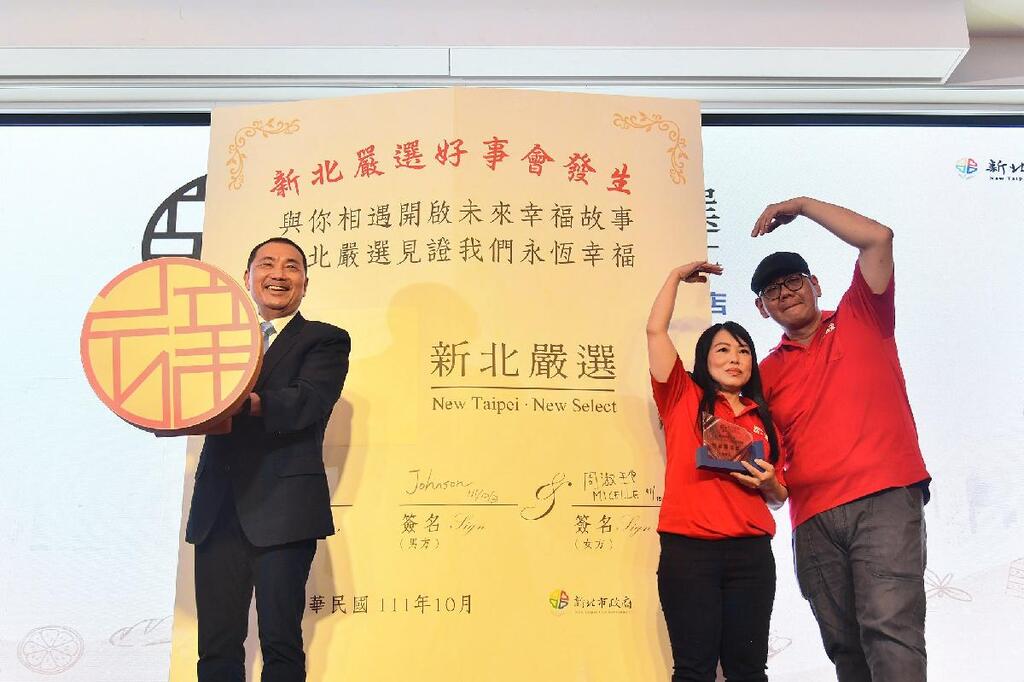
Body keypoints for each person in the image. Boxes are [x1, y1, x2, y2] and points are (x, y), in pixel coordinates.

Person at [749, 197, 930, 682]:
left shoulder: (862, 315)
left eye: (793, 281)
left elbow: (878, 238)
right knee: (845, 649)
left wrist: (802, 205)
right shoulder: (763, 375)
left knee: (890, 631)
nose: (785, 293)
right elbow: (769, 469)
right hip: (812, 520)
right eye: (771, 290)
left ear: (815, 284)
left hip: (883, 498)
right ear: (762, 308)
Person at [185, 237, 350, 682]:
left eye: (291, 266)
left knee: (281, 643)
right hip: (217, 510)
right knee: (216, 647)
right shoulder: (218, 341)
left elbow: (307, 401)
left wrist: (244, 401)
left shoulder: (324, 340)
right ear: (247, 277)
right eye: (267, 264)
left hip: (284, 511)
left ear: (304, 283)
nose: (278, 274)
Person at [647, 260, 788, 682]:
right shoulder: (682, 396)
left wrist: (770, 483)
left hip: (751, 556)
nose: (735, 358)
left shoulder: (764, 418)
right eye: (723, 350)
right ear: (704, 359)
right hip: (690, 553)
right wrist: (674, 276)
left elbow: (780, 496)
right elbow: (655, 332)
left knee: (749, 670)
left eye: (743, 351)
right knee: (694, 670)